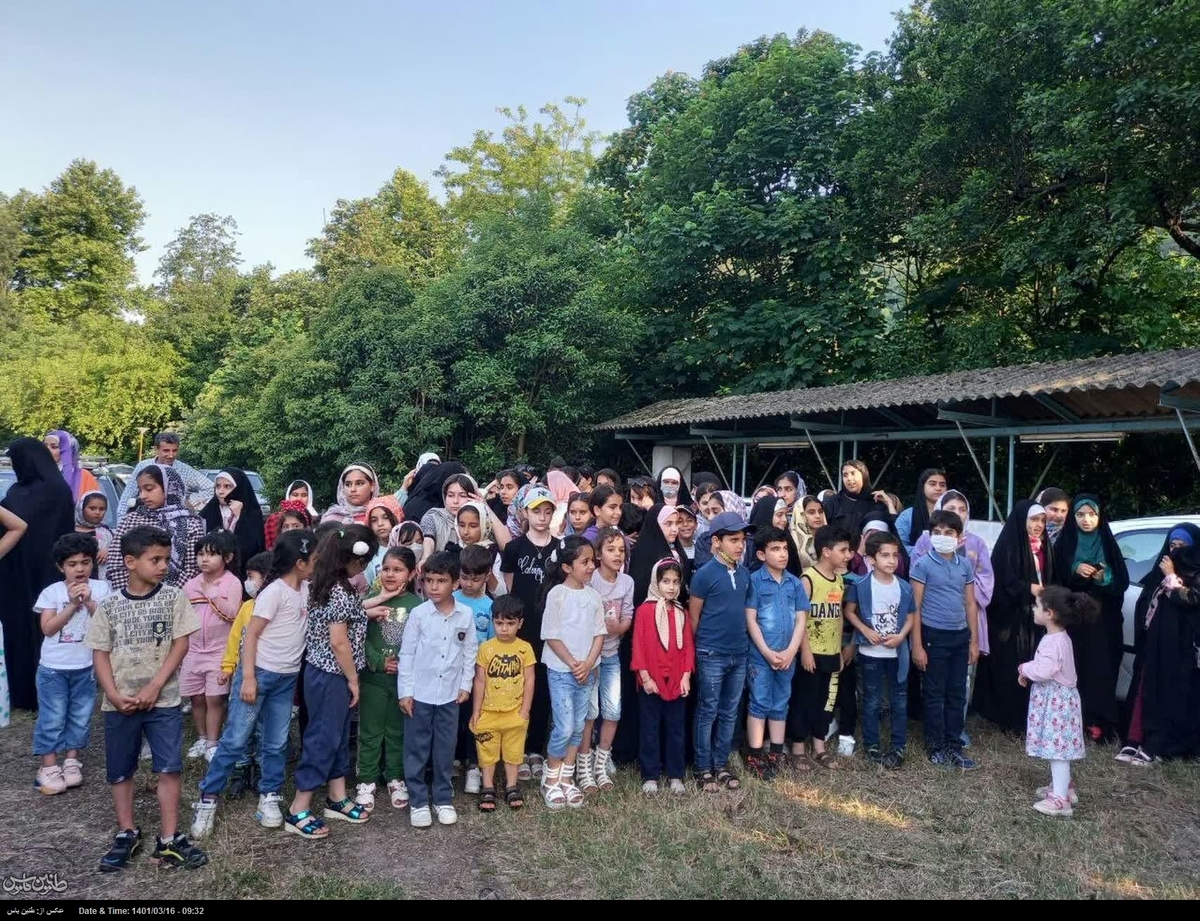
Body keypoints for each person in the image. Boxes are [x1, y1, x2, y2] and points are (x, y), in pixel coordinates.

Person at [85, 525, 207, 871]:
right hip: (118, 704)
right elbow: (100, 653)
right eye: (155, 559)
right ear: (130, 561)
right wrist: (112, 693)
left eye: (166, 559)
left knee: (169, 767)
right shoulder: (109, 606)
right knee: (120, 771)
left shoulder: (174, 597)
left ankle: (169, 840)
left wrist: (155, 686)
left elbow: (180, 644)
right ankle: (127, 832)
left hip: (164, 702)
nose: (163, 565)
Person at [190, 531, 316, 839]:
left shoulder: (306, 589)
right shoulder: (273, 593)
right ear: (299, 563)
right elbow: (251, 637)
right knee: (235, 739)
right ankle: (207, 798)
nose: (318, 564)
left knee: (276, 742)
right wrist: (247, 677)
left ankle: (269, 795)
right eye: (314, 559)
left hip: (286, 679)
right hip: (258, 675)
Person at [286, 525, 378, 839]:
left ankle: (337, 797)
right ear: (350, 560)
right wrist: (353, 680)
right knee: (323, 738)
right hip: (332, 675)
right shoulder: (339, 589)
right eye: (363, 562)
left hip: (327, 673)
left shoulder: (330, 584)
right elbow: (339, 642)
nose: (364, 567)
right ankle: (298, 808)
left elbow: (344, 619)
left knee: (338, 735)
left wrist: (369, 610)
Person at [398, 551, 477, 829]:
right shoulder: (419, 614)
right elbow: (406, 654)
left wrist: (465, 685)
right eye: (429, 580)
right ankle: (418, 800)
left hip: (450, 695)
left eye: (441, 580)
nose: (433, 586)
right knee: (416, 748)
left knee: (445, 748)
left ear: (455, 583)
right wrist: (405, 692)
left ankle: (442, 797)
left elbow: (470, 652)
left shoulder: (465, 615)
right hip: (419, 694)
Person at [33, 533, 110, 794]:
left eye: (85, 562)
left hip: (85, 667)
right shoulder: (51, 592)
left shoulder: (101, 589)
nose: (80, 569)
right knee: (53, 716)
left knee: (80, 715)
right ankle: (49, 765)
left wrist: (88, 602)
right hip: (53, 668)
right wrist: (71, 606)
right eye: (72, 564)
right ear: (61, 567)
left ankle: (71, 760)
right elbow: (47, 628)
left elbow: (107, 623)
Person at [1, 437, 73, 711]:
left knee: (36, 628)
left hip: (28, 572)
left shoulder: (34, 493)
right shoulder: (56, 488)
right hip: (41, 572)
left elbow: (15, 525)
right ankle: (36, 692)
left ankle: (30, 693)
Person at [1118, 524, 1200, 765]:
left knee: (1176, 692)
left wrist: (1172, 576)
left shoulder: (1193, 571)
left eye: (1182, 547)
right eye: (1172, 546)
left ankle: (1165, 744)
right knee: (1149, 688)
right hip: (1156, 646)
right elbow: (1146, 601)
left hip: (1183, 649)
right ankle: (1137, 739)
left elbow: (1192, 600)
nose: (1175, 551)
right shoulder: (1160, 571)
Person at [1051, 496, 1130, 742]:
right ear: (1073, 518)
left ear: (1099, 516)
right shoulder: (1064, 544)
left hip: (1103, 622)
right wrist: (1075, 569)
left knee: (1101, 669)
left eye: (1092, 514)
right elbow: (1054, 578)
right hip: (1072, 620)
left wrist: (1102, 578)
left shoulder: (1108, 543)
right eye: (1080, 515)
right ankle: (1069, 719)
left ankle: (1097, 720)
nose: (1086, 520)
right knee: (1072, 667)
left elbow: (1122, 583)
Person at [975, 501, 1055, 734]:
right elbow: (1000, 581)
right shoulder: (1008, 546)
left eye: (1042, 520)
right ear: (1022, 521)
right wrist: (1027, 588)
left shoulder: (1045, 547)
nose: (1038, 525)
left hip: (1037, 620)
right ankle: (1009, 720)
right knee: (1011, 668)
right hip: (1010, 621)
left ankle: (1031, 716)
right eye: (1034, 520)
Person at [500, 486, 563, 781]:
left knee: (542, 692)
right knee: (517, 687)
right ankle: (517, 749)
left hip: (549, 630)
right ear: (525, 512)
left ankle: (536, 748)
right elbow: (511, 588)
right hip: (521, 629)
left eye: (547, 511)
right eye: (536, 510)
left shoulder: (560, 548)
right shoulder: (514, 548)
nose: (542, 516)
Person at [538, 536, 606, 809]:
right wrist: (574, 663)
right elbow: (551, 635)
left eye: (592, 561)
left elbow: (599, 633)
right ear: (567, 567)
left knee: (578, 726)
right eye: (585, 561)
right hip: (561, 671)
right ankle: (551, 777)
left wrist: (588, 663)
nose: (591, 566)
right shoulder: (557, 595)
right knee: (564, 726)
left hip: (587, 671)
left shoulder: (593, 596)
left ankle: (568, 776)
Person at [689, 511, 754, 792]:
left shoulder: (744, 574)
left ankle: (721, 764)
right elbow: (694, 619)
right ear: (717, 541)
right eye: (733, 540)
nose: (740, 546)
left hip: (739, 652)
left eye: (742, 540)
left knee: (729, 712)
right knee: (708, 710)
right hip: (711, 653)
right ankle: (703, 767)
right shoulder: (704, 575)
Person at [911, 510, 980, 770]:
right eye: (937, 532)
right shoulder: (923, 565)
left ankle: (954, 744)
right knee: (934, 694)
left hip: (960, 637)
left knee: (957, 694)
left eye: (949, 532)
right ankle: (935, 746)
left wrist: (973, 641)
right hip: (933, 637)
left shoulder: (964, 565)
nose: (943, 537)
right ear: (929, 535)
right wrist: (917, 645)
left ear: (959, 537)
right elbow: (914, 607)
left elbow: (970, 604)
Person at [1020, 587, 1096, 816]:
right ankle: (1064, 786)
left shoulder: (1052, 642)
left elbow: (1044, 670)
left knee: (1057, 751)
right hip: (1061, 702)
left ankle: (1061, 800)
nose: (1033, 609)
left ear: (1050, 613)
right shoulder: (1061, 638)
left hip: (1057, 705)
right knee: (1059, 749)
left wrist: (1024, 668)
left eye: (1037, 606)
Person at [354, 547, 419, 812]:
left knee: (397, 730)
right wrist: (379, 661)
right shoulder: (369, 600)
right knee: (370, 730)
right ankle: (366, 780)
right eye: (386, 568)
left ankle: (395, 776)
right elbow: (358, 635)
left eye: (398, 569)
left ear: (412, 574)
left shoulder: (417, 606)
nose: (390, 574)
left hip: (402, 683)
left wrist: (405, 665)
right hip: (372, 679)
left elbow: (420, 645)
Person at [844, 531, 916, 768]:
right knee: (872, 699)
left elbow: (910, 616)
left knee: (899, 699)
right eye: (885, 555)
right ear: (871, 559)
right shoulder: (862, 585)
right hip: (870, 653)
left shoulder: (904, 587)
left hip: (897, 653)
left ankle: (898, 745)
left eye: (895, 555)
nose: (892, 560)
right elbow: (849, 612)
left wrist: (901, 635)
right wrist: (865, 631)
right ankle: (872, 745)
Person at [744, 526, 810, 780]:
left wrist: (792, 650)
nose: (782, 554)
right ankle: (755, 754)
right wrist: (767, 652)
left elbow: (801, 618)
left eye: (784, 549)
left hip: (787, 655)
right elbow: (751, 619)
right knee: (760, 701)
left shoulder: (794, 582)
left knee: (780, 702)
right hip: (761, 657)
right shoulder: (754, 581)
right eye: (775, 549)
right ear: (761, 555)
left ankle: (776, 753)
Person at [788, 526, 852, 770]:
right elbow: (801, 618)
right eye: (843, 550)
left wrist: (840, 649)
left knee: (825, 700)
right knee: (804, 699)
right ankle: (797, 747)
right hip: (811, 653)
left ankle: (819, 745)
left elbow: (838, 618)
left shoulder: (839, 581)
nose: (848, 555)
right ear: (826, 551)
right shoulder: (808, 579)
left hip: (831, 652)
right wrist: (804, 650)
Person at [214, 550, 274, 801]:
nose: (248, 582)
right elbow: (235, 640)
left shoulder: (276, 606)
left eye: (252, 576)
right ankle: (239, 770)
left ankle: (261, 768)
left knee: (263, 726)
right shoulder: (247, 607)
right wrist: (227, 667)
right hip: (242, 675)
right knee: (239, 725)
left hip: (268, 675)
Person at [632, 558, 695, 795]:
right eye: (665, 581)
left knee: (676, 728)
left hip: (676, 680)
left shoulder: (681, 612)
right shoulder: (645, 610)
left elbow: (688, 647)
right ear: (655, 582)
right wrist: (646, 678)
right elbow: (638, 646)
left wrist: (686, 676)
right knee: (650, 728)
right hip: (652, 681)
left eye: (676, 582)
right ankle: (651, 774)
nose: (671, 587)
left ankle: (675, 774)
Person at [180, 530, 243, 762]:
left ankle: (214, 742)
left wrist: (213, 594)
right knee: (196, 697)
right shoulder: (190, 585)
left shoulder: (232, 583)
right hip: (193, 650)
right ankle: (202, 737)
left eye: (211, 555)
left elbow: (233, 615)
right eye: (200, 554)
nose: (204, 559)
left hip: (219, 650)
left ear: (227, 558)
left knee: (214, 698)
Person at [579, 526, 633, 793]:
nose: (617, 554)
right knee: (590, 712)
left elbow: (627, 619)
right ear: (598, 554)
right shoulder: (591, 580)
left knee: (613, 710)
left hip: (611, 655)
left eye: (621, 550)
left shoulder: (627, 582)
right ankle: (585, 764)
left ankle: (602, 760)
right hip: (590, 657)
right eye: (611, 549)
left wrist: (617, 628)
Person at [471, 595, 536, 813]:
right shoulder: (486, 648)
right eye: (499, 623)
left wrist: (525, 710)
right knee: (487, 750)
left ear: (520, 623)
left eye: (510, 624)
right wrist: (476, 711)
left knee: (513, 751)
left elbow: (530, 680)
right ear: (492, 622)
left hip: (515, 712)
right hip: (488, 712)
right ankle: (487, 786)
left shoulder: (525, 648)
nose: (504, 629)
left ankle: (511, 785)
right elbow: (479, 681)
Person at [109, 464, 205, 594]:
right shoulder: (130, 520)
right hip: (132, 601)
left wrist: (163, 597)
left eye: (149, 489)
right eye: (140, 490)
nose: (142, 496)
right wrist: (134, 594)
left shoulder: (191, 524)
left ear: (169, 488)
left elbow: (192, 570)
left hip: (174, 601)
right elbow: (116, 564)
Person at [453, 543, 496, 797]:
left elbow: (491, 645)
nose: (469, 583)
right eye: (464, 577)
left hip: (477, 676)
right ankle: (451, 760)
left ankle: (473, 765)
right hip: (450, 674)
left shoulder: (491, 607)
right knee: (451, 720)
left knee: (474, 720)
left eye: (476, 578)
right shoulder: (451, 599)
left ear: (487, 575)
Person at [116, 432, 214, 519]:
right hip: (145, 521)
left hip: (176, 524)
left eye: (174, 450)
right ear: (156, 449)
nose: (171, 455)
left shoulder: (185, 470)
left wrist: (191, 502)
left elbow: (211, 488)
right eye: (166, 451)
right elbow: (126, 499)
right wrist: (122, 525)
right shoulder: (143, 466)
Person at [200, 468, 265, 578]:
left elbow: (254, 547)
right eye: (218, 486)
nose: (220, 491)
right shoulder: (209, 511)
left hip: (244, 575)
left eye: (227, 486)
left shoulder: (251, 512)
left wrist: (241, 518)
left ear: (239, 488)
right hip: (211, 575)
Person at [822, 460, 888, 543]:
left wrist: (889, 504)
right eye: (845, 475)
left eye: (853, 473)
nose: (849, 479)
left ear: (863, 475)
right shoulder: (832, 502)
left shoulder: (876, 503)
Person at [895, 469, 948, 555]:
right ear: (922, 487)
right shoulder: (908, 515)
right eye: (932, 484)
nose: (938, 488)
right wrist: (927, 552)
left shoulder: (952, 515)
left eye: (942, 485)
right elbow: (898, 546)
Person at [44, 430, 100, 502]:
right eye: (45, 445)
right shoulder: (35, 474)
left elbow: (94, 509)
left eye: (54, 447)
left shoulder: (84, 476)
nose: (46, 450)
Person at [75, 491, 114, 580]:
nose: (97, 512)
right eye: (92, 508)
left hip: (102, 583)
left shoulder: (107, 533)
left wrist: (109, 550)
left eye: (102, 509)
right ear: (81, 508)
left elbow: (119, 550)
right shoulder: (70, 532)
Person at [790, 495, 826, 571]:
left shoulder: (830, 537)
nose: (818, 516)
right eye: (811, 512)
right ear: (801, 514)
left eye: (820, 511)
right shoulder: (791, 541)